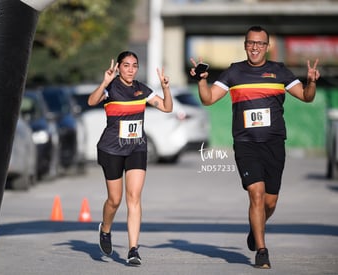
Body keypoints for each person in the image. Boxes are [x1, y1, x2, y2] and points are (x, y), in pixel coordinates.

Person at [189, 26, 320, 269]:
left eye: (260, 43)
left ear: (267, 46)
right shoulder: (234, 72)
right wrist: (201, 81)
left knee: (270, 203)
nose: (255, 47)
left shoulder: (279, 71)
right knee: (256, 195)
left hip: (274, 144)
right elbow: (208, 99)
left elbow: (306, 96)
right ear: (245, 45)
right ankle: (261, 250)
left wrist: (310, 82)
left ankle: (255, 228)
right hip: (246, 144)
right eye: (251, 43)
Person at [88, 51, 173, 265]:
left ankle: (133, 249)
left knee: (133, 197)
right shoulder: (111, 87)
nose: (131, 69)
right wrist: (104, 82)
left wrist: (165, 87)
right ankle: (105, 229)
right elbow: (91, 101)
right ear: (118, 67)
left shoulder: (141, 89)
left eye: (134, 65)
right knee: (115, 200)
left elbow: (166, 107)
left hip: (137, 148)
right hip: (111, 149)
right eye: (126, 65)